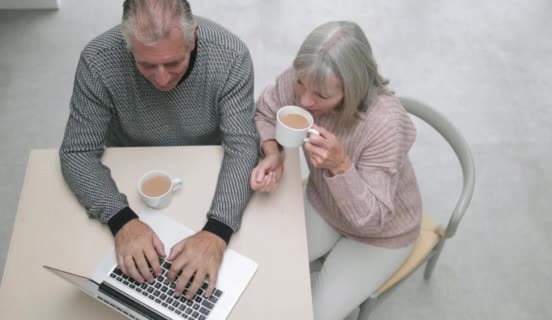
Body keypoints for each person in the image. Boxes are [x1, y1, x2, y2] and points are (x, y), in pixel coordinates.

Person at [59, 0, 258, 300]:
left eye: (173, 62)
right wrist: (121, 220)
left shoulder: (232, 56)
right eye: (147, 65)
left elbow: (243, 147)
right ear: (128, 47)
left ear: (194, 38)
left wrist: (218, 231)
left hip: (206, 169)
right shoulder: (97, 60)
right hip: (128, 171)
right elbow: (77, 151)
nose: (162, 79)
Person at [251, 21, 422, 319]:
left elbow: (373, 220)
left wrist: (341, 167)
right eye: (301, 84)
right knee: (265, 263)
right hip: (324, 203)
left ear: (353, 89)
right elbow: (267, 109)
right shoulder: (307, 76)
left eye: (321, 95)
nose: (304, 100)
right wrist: (271, 151)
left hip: (380, 233)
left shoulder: (385, 124)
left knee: (313, 313)